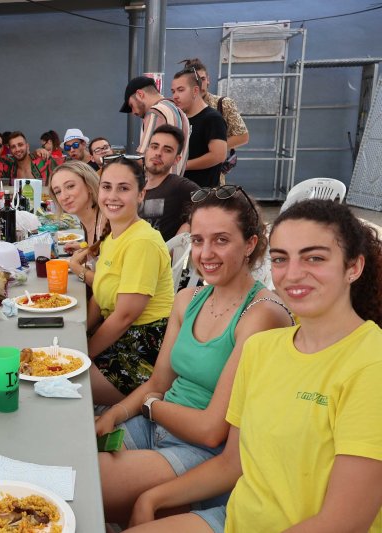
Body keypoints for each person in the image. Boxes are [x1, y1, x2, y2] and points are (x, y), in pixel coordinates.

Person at [128, 199, 382, 532]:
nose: (292, 274)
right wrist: (152, 499)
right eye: (280, 259)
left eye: (314, 258)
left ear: (353, 267)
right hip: (234, 518)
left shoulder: (370, 365)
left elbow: (342, 522)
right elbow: (232, 464)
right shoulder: (263, 348)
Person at [95, 184, 292, 528]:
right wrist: (117, 414)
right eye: (198, 240)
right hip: (154, 425)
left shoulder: (262, 315)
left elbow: (210, 431)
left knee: (86, 485)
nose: (206, 253)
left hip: (204, 454)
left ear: (250, 244)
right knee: (71, 468)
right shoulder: (189, 298)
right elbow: (158, 382)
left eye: (221, 240)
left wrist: (149, 406)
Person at [85, 156, 174, 405]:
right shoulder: (114, 236)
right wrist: (80, 335)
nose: (112, 196)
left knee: (61, 381)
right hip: (120, 337)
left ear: (140, 194)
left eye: (123, 188)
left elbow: (125, 316)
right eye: (107, 187)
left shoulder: (142, 242)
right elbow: (100, 297)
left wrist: (85, 352)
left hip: (142, 348)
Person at [48, 160, 107, 283]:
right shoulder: (88, 219)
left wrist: (75, 267)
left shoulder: (106, 222)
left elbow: (108, 286)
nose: (64, 197)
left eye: (70, 186)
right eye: (58, 191)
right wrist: (86, 248)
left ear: (89, 186)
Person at [120, 76, 190, 176]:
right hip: (175, 182)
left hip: (158, 185)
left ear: (140, 94)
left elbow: (144, 160)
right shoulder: (179, 112)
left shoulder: (155, 112)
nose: (133, 112)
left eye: (131, 105)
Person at [140, 125, 200, 241]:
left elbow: (213, 206)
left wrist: (188, 226)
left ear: (177, 159)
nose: (158, 153)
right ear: (147, 151)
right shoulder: (136, 187)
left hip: (161, 257)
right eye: (154, 147)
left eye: (167, 150)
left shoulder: (179, 185)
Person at [171, 69, 227, 188]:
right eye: (173, 91)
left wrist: (183, 165)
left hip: (203, 193)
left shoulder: (212, 118)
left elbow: (218, 155)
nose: (175, 96)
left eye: (180, 90)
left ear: (195, 90)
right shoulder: (180, 118)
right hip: (180, 190)